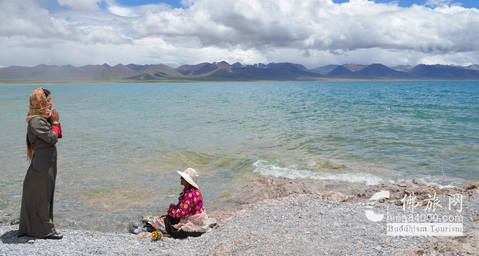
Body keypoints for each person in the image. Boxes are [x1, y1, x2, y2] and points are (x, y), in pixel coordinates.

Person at [17, 87, 63, 239]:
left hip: (47, 161)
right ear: (40, 102)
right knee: (42, 194)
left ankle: (41, 227)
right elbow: (52, 138)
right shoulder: (36, 121)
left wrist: (54, 121)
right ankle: (44, 230)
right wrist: (55, 122)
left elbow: (57, 135)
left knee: (45, 192)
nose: (51, 103)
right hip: (43, 163)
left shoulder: (41, 118)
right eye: (48, 100)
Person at [128, 168, 210, 238]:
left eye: (183, 177)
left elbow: (182, 213)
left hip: (191, 219)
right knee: (166, 219)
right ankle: (143, 228)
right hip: (192, 216)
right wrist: (173, 209)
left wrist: (171, 210)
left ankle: (140, 230)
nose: (180, 178)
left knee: (166, 221)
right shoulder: (191, 191)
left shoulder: (190, 194)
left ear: (188, 181)